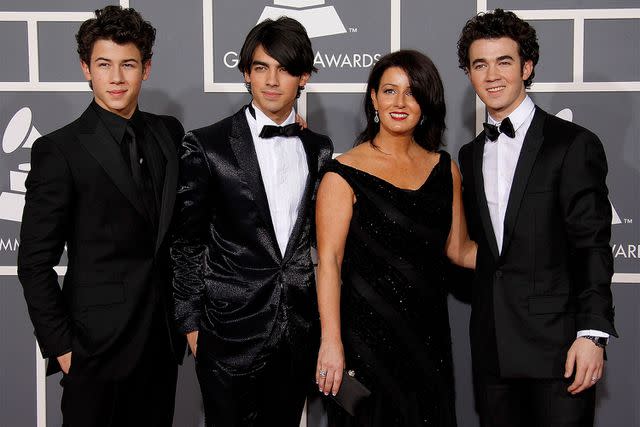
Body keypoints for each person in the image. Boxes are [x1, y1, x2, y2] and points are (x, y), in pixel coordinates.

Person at [17, 6, 185, 426]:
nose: (116, 77)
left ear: (146, 69)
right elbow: (35, 262)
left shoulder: (169, 133)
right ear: (85, 69)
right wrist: (65, 348)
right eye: (103, 64)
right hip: (94, 351)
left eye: (128, 64)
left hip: (160, 346)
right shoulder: (60, 150)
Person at [456, 9, 617, 427]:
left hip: (559, 349)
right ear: (470, 74)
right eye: (480, 64)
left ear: (527, 68)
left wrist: (591, 335)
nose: (492, 75)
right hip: (492, 351)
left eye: (504, 61)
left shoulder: (572, 144)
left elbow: (592, 246)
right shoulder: (469, 156)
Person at [170, 16, 333, 426]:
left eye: (284, 69)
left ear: (304, 78)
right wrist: (192, 327)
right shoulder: (207, 145)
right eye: (261, 67)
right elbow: (186, 243)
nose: (272, 80)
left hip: (296, 331)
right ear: (246, 74)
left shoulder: (319, 149)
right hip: (227, 332)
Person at [315, 50, 476, 426]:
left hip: (428, 344)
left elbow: (459, 249)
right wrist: (331, 343)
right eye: (389, 91)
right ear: (373, 98)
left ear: (427, 102)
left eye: (412, 92)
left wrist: (531, 255)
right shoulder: (343, 174)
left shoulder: (444, 168)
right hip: (364, 346)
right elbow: (329, 263)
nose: (400, 103)